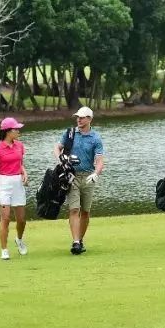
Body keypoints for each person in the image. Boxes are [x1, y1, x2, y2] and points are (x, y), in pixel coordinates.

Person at [53, 106, 104, 255]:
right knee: (74, 209)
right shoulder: (70, 133)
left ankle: (80, 240)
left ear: (89, 119)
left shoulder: (95, 138)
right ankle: (75, 242)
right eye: (78, 117)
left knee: (86, 212)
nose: (79, 119)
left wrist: (96, 173)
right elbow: (57, 147)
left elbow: (100, 160)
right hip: (71, 176)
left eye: (82, 117)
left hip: (88, 177)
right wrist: (60, 159)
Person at [0, 117, 29, 260]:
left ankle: (19, 239)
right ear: (7, 131)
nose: (18, 131)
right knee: (5, 218)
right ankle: (4, 250)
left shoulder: (20, 145)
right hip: (3, 184)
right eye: (16, 129)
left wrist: (24, 172)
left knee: (21, 219)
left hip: (17, 183)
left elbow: (20, 163)